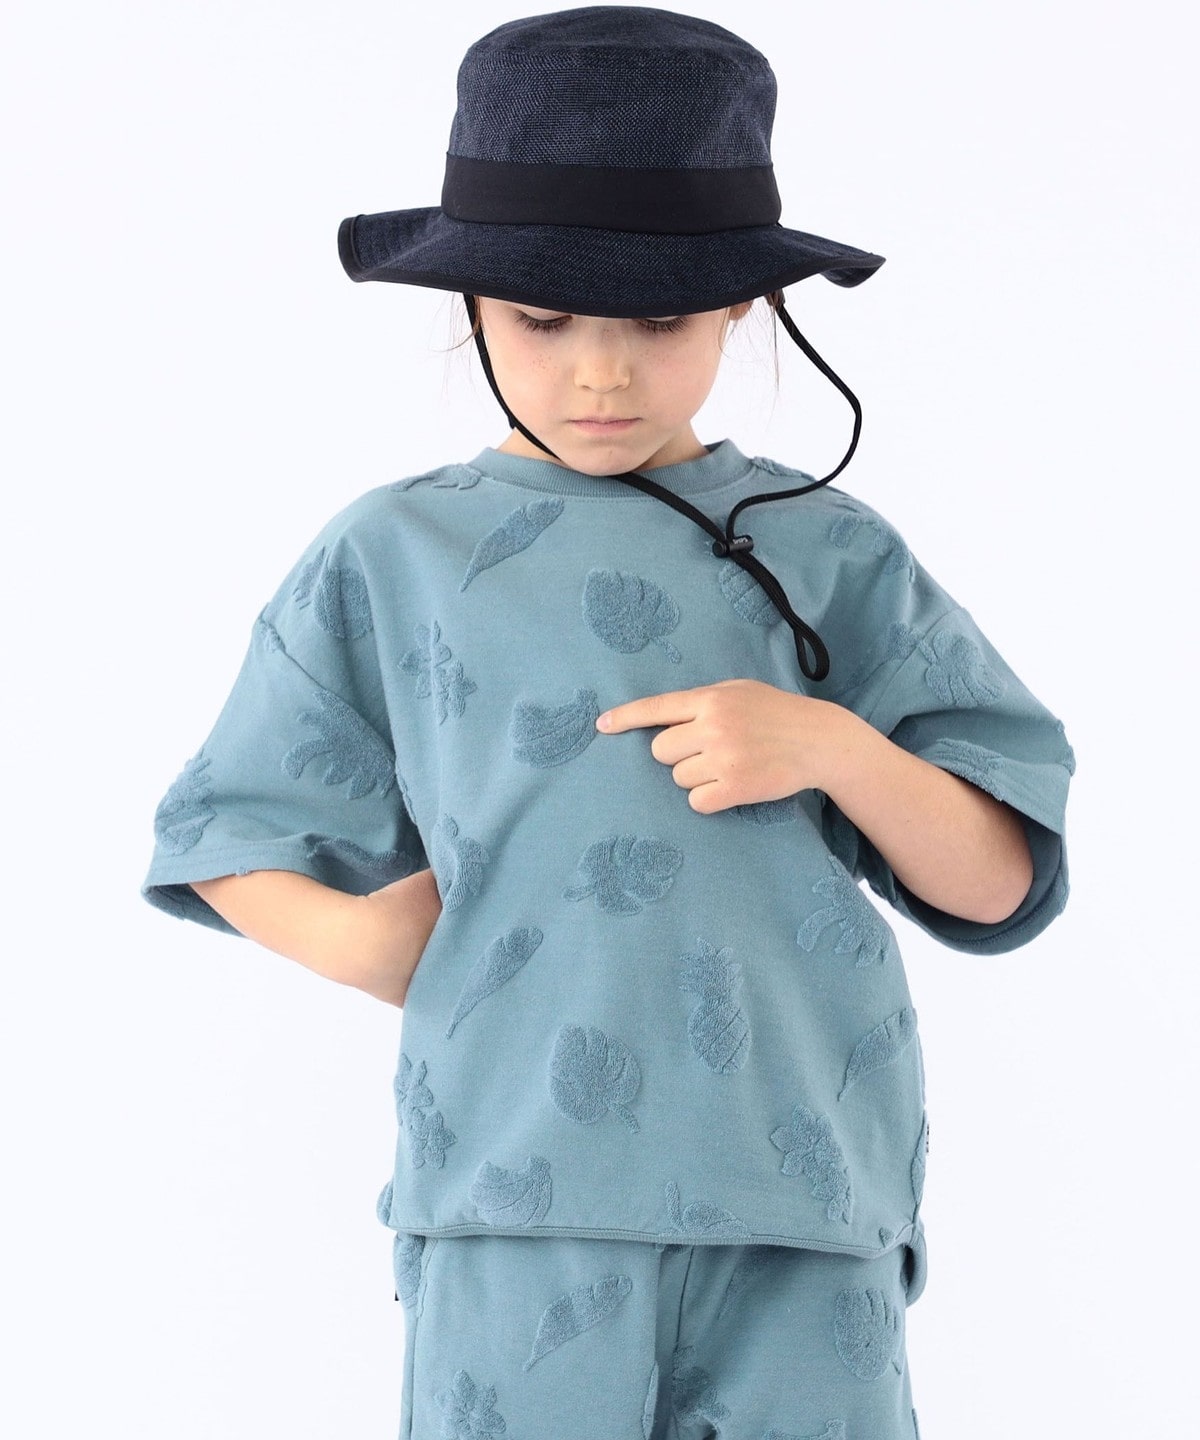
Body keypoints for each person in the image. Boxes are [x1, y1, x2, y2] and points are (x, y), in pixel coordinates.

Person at [142, 8, 1073, 1438]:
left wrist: (835, 748)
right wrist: (353, 939)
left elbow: (1001, 881)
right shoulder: (397, 554)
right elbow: (223, 826)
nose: (602, 373)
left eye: (658, 322)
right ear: (469, 303)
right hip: (514, 1202)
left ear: (741, 308)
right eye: (543, 319)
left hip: (804, 1201)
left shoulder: (831, 552)